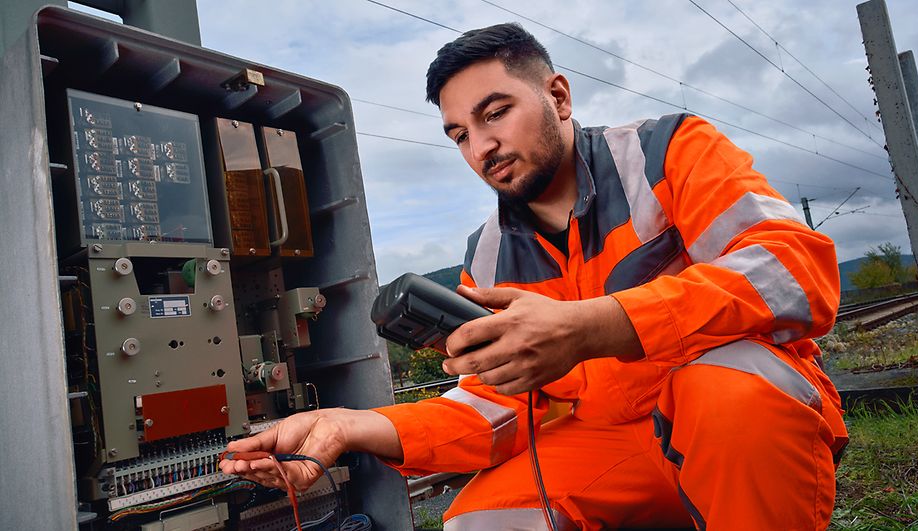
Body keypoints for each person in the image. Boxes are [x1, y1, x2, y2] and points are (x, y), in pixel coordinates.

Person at [221, 23, 848, 530]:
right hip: (617, 443)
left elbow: (792, 267)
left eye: (495, 113)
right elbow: (491, 408)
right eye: (460, 134)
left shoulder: (667, 153)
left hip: (737, 423)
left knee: (728, 391)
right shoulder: (488, 254)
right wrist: (345, 425)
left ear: (559, 97)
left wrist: (591, 327)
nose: (481, 147)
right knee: (483, 521)